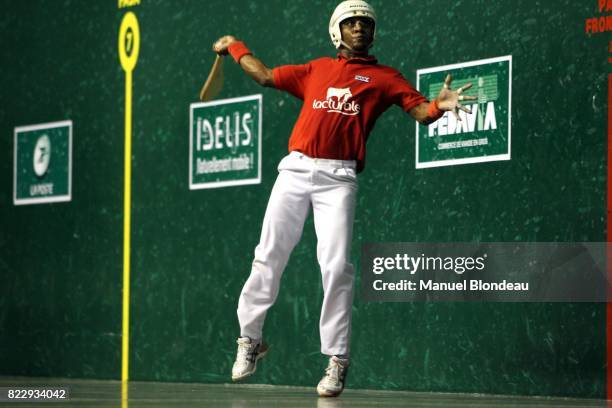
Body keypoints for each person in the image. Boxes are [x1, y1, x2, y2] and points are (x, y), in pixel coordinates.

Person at [212, 0, 475, 398]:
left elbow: (420, 110)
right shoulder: (316, 69)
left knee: (335, 267)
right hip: (296, 170)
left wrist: (440, 104)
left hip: (339, 178)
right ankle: (250, 341)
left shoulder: (385, 78)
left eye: (365, 24)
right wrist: (234, 46)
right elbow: (264, 75)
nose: (359, 29)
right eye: (351, 23)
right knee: (269, 254)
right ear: (337, 30)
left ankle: (336, 361)